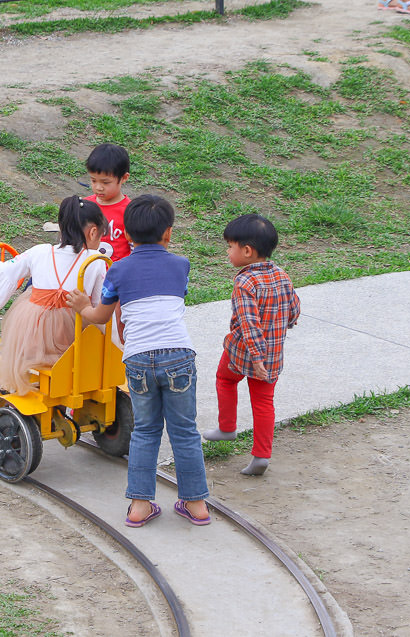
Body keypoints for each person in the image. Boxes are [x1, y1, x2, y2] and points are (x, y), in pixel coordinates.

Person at [68, 194, 210, 528]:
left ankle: (139, 507)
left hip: (138, 358)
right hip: (178, 356)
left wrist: (81, 306)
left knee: (146, 431)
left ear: (127, 236)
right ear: (169, 234)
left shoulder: (118, 268)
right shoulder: (181, 265)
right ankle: (197, 505)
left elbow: (101, 316)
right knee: (185, 432)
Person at [0, 196, 109, 396]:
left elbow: (2, 272)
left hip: (33, 331)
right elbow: (99, 303)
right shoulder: (96, 261)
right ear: (93, 232)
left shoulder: (39, 252)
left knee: (28, 306)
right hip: (73, 334)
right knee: (93, 329)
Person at [201, 214, 301, 476]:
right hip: (273, 354)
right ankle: (261, 456)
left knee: (225, 379)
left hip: (242, 352)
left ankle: (227, 427)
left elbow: (248, 323)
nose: (227, 251)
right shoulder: (282, 275)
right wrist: (284, 326)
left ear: (247, 251)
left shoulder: (244, 282)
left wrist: (256, 357)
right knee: (264, 403)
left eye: (230, 246)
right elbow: (294, 309)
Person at [85, 143, 131, 262]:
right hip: (87, 273)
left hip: (116, 277)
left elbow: (135, 249)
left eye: (106, 183)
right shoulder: (85, 206)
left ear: (124, 178)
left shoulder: (130, 212)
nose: (98, 187)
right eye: (93, 180)